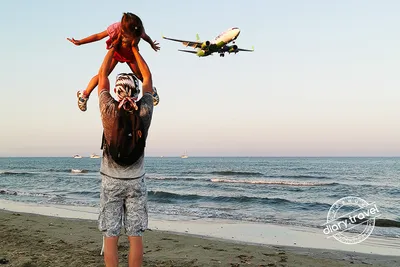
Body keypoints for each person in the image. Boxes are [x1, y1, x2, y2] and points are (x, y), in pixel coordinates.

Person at [96, 36, 153, 267]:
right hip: (136, 182)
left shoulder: (108, 109)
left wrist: (112, 47)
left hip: (110, 181)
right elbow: (147, 77)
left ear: (117, 90)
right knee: (135, 235)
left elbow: (102, 77)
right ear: (137, 92)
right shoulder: (144, 111)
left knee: (110, 236)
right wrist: (136, 50)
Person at [67, 12, 160, 111]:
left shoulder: (138, 30)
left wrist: (152, 44)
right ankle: (84, 95)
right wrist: (81, 42)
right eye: (128, 37)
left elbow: (146, 37)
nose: (129, 39)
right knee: (102, 75)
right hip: (116, 52)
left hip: (130, 54)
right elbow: (98, 36)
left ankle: (151, 90)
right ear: (123, 30)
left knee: (141, 75)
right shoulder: (115, 28)